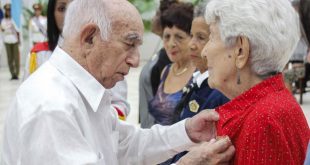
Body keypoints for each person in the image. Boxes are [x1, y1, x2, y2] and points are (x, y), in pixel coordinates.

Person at [1, 0, 235, 164]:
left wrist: (186, 132)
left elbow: (125, 145)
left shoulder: (84, 91)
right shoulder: (51, 108)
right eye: (129, 44)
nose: (135, 61)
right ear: (90, 37)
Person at [201, 0, 310, 164]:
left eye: (212, 37)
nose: (204, 51)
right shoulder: (269, 106)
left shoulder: (262, 120)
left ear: (241, 50)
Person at [23, 0, 130, 120]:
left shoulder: (108, 53)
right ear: (52, 13)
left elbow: (119, 103)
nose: (70, 13)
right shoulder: (39, 55)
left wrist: (96, 123)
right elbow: (28, 100)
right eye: (62, 9)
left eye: (76, 6)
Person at [148, 2, 196, 126]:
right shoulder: (166, 71)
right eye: (167, 36)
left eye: (179, 37)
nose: (171, 44)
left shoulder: (198, 75)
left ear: (192, 38)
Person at [139, 0, 176, 128]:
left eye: (156, 13)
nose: (153, 18)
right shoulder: (162, 53)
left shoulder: (168, 59)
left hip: (156, 130)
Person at [1, 3, 20, 80]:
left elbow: (18, 30)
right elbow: (2, 30)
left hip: (14, 39)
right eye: (7, 10)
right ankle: (12, 74)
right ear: (5, 11)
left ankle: (17, 73)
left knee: (16, 58)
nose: (8, 12)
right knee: (10, 58)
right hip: (7, 40)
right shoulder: (3, 20)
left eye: (9, 10)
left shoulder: (14, 19)